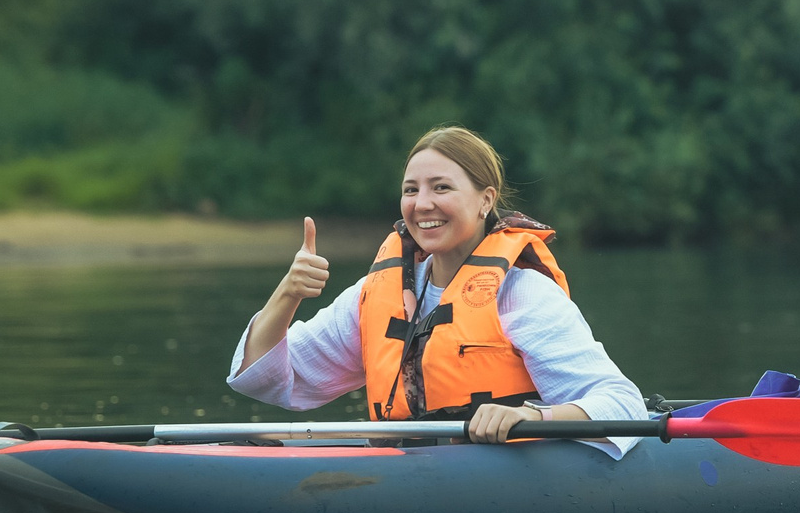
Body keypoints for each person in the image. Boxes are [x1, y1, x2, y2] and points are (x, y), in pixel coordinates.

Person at [230, 125, 650, 451]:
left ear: (486, 200)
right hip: (405, 475)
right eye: (411, 190)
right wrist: (287, 294)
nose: (422, 203)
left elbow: (623, 405)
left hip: (506, 475)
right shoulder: (375, 295)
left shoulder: (521, 293)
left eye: (441, 187)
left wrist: (531, 417)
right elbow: (267, 380)